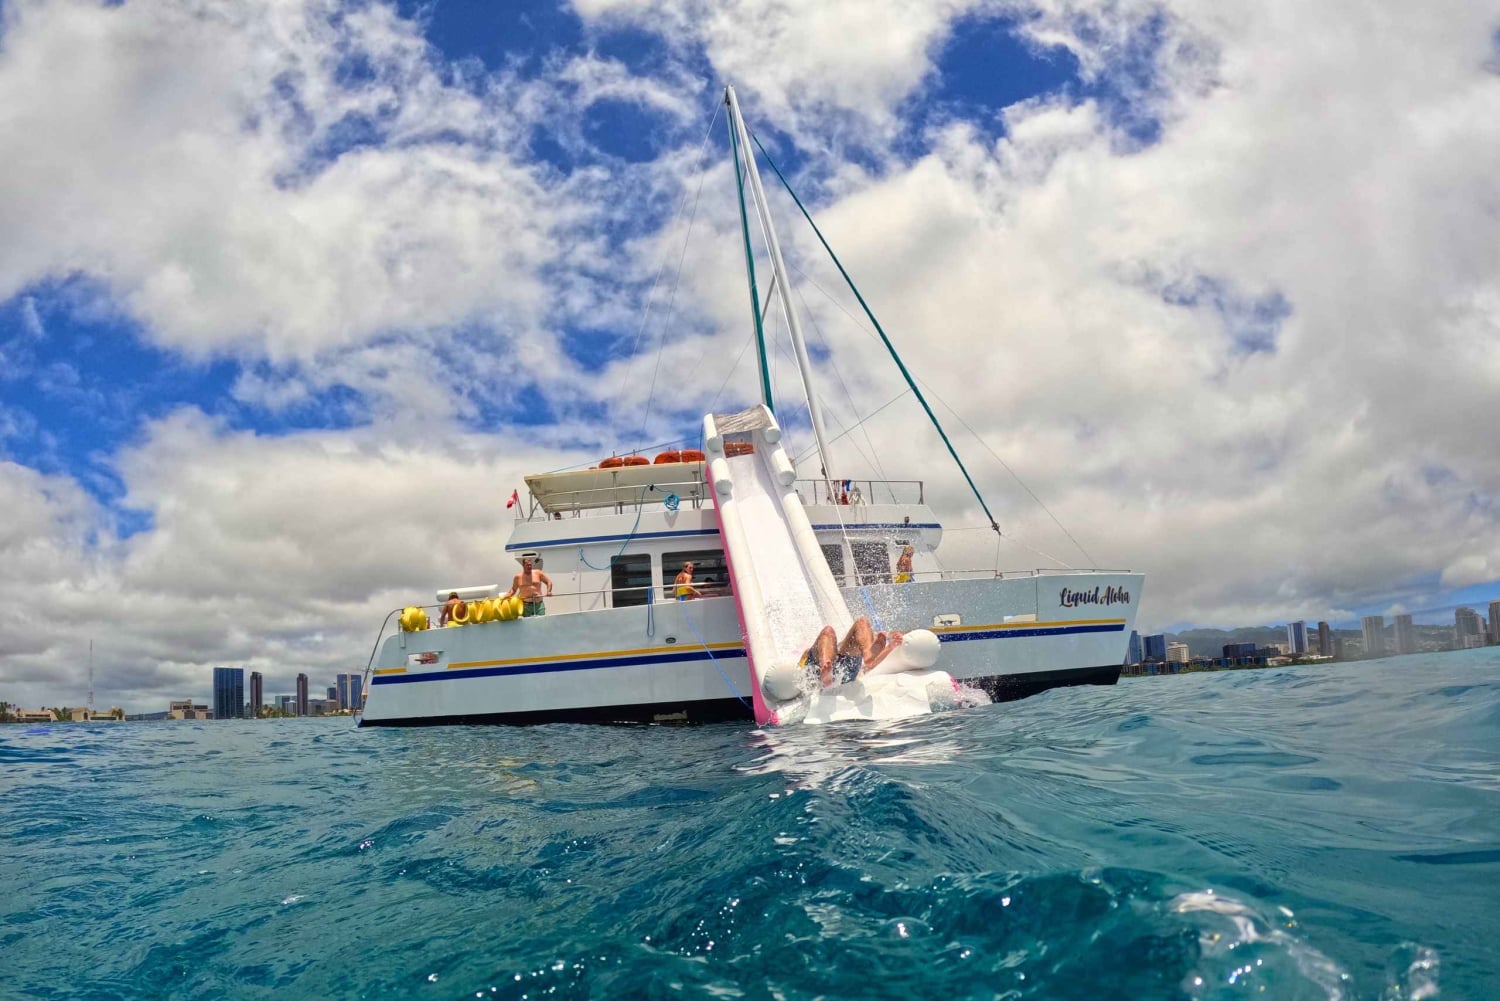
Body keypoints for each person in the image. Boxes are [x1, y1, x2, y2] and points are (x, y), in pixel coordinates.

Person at [800, 617, 904, 688]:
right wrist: (890, 646)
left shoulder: (845, 645)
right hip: (832, 671)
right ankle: (826, 671)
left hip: (843, 668)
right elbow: (799, 672)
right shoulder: (809, 652)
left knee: (862, 621)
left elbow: (869, 665)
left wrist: (891, 642)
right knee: (828, 631)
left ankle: (868, 654)